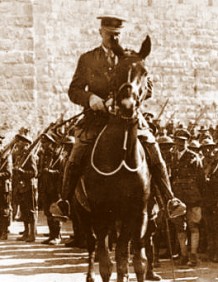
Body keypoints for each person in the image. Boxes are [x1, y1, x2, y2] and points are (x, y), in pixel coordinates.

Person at [57, 15, 185, 221]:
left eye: (117, 34)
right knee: (77, 151)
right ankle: (64, 201)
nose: (113, 38)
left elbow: (148, 88)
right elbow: (74, 90)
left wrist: (130, 99)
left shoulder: (131, 58)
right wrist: (91, 99)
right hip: (97, 118)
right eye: (109, 34)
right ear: (101, 33)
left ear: (121, 34)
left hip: (129, 118)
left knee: (153, 150)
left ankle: (169, 200)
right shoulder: (88, 59)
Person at [170, 129, 205, 267]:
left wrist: (199, 197)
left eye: (183, 141)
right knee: (179, 227)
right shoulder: (172, 157)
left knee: (193, 225)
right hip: (177, 196)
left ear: (187, 142)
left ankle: (193, 255)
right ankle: (183, 255)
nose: (180, 143)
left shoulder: (193, 157)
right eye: (178, 140)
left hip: (192, 196)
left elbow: (201, 179)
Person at [14, 134, 38, 242]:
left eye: (20, 142)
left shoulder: (30, 156)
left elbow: (34, 173)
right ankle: (26, 232)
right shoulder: (20, 156)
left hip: (29, 187)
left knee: (31, 210)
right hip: (20, 187)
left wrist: (22, 172)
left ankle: (32, 234)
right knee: (24, 210)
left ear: (25, 144)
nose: (17, 144)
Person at [0, 135, 12, 240]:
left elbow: (8, 173)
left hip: (3, 188)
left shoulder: (5, 157)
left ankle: (4, 231)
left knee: (4, 210)